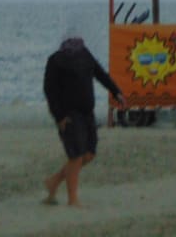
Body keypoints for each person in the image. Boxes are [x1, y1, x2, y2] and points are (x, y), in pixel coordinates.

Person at [42, 35, 128, 207]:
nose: (74, 46)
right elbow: (49, 90)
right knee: (76, 156)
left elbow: (100, 74)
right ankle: (72, 199)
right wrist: (59, 117)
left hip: (87, 112)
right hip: (69, 114)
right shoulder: (55, 61)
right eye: (71, 43)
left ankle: (54, 182)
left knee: (89, 154)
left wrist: (116, 92)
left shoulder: (85, 54)